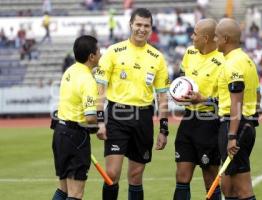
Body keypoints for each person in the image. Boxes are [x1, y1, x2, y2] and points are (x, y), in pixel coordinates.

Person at [94, 8, 169, 200]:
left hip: (143, 118)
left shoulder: (157, 57)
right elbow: (100, 90)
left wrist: (163, 129)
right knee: (111, 174)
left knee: (136, 176)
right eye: (138, 24)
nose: (142, 29)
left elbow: (162, 97)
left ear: (151, 28)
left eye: (146, 26)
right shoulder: (113, 51)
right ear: (130, 25)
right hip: (117, 115)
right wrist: (100, 121)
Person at [172, 18, 224, 200]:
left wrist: (204, 99)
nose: (192, 37)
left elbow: (227, 100)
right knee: (182, 175)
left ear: (206, 38)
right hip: (188, 120)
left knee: (210, 178)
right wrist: (178, 93)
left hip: (210, 122)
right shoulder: (189, 52)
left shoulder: (223, 60)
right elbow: (181, 78)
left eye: (195, 33)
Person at [214, 18, 260, 200]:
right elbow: (258, 94)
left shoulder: (232, 63)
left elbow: (236, 101)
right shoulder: (247, 60)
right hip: (243, 125)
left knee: (242, 188)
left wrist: (232, 136)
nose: (215, 40)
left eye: (217, 37)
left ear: (225, 38)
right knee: (229, 187)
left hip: (234, 127)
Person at [51, 35, 102, 200]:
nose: (101, 54)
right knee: (76, 194)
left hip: (59, 133)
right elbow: (90, 117)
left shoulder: (69, 71)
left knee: (63, 190)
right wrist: (98, 128)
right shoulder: (88, 80)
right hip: (75, 136)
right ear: (91, 57)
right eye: (99, 51)